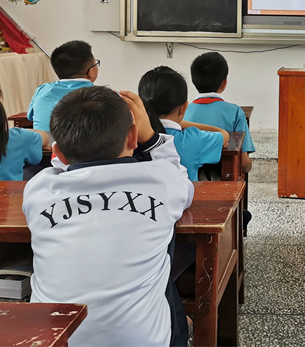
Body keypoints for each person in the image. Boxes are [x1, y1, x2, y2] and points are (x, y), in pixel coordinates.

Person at [23, 86, 193, 347]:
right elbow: (178, 175)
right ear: (133, 137)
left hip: (56, 341)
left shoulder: (39, 189)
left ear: (57, 152)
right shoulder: (161, 180)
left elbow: (61, 165)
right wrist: (153, 139)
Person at [138, 65, 229, 180]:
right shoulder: (192, 139)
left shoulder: (132, 139)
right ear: (184, 108)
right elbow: (224, 135)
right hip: (184, 198)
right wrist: (181, 123)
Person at [183, 52, 254, 174]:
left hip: (188, 181)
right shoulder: (235, 113)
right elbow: (243, 164)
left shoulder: (181, 113)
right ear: (224, 83)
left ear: (194, 81)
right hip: (224, 183)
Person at [27, 40, 99, 133]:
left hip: (44, 145)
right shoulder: (103, 96)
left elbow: (30, 116)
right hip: (81, 146)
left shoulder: (42, 90)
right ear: (91, 71)